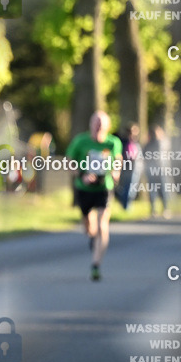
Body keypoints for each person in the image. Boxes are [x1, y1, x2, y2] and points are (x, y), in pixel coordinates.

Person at [66, 111, 123, 281]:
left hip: (104, 187)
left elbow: (118, 160)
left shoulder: (113, 142)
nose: (98, 126)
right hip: (84, 188)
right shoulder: (81, 141)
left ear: (107, 126)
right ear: (90, 124)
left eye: (101, 123)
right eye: (95, 122)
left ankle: (96, 264)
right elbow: (69, 160)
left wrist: (115, 172)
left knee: (102, 223)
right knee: (89, 226)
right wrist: (81, 174)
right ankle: (92, 236)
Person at [143, 125, 171, 218]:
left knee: (159, 190)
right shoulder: (155, 143)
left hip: (158, 169)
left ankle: (161, 209)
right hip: (155, 169)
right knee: (156, 190)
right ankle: (158, 210)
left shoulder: (159, 143)